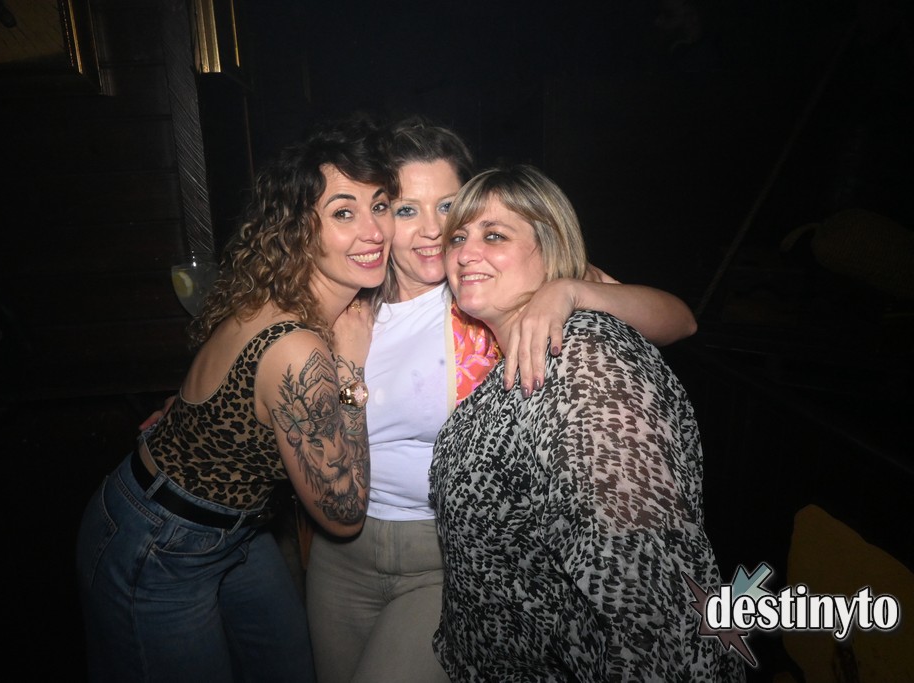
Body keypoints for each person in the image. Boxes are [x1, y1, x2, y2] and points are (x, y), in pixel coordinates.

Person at [304, 117, 701, 683]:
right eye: (407, 209)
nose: (433, 230)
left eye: (447, 207)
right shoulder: (348, 300)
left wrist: (569, 290)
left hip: (442, 554)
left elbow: (679, 320)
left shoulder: (490, 289)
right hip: (342, 551)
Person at [75, 114, 398, 682]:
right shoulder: (298, 346)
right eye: (343, 212)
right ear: (297, 227)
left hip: (236, 530)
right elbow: (344, 515)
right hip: (160, 540)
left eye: (381, 205)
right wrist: (350, 369)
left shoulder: (277, 287)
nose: (373, 231)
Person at [429, 163, 746, 681]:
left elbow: (648, 596)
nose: (465, 253)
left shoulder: (583, 361)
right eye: (458, 238)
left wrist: (571, 289)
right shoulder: (529, 354)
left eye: (494, 235)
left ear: (551, 250)